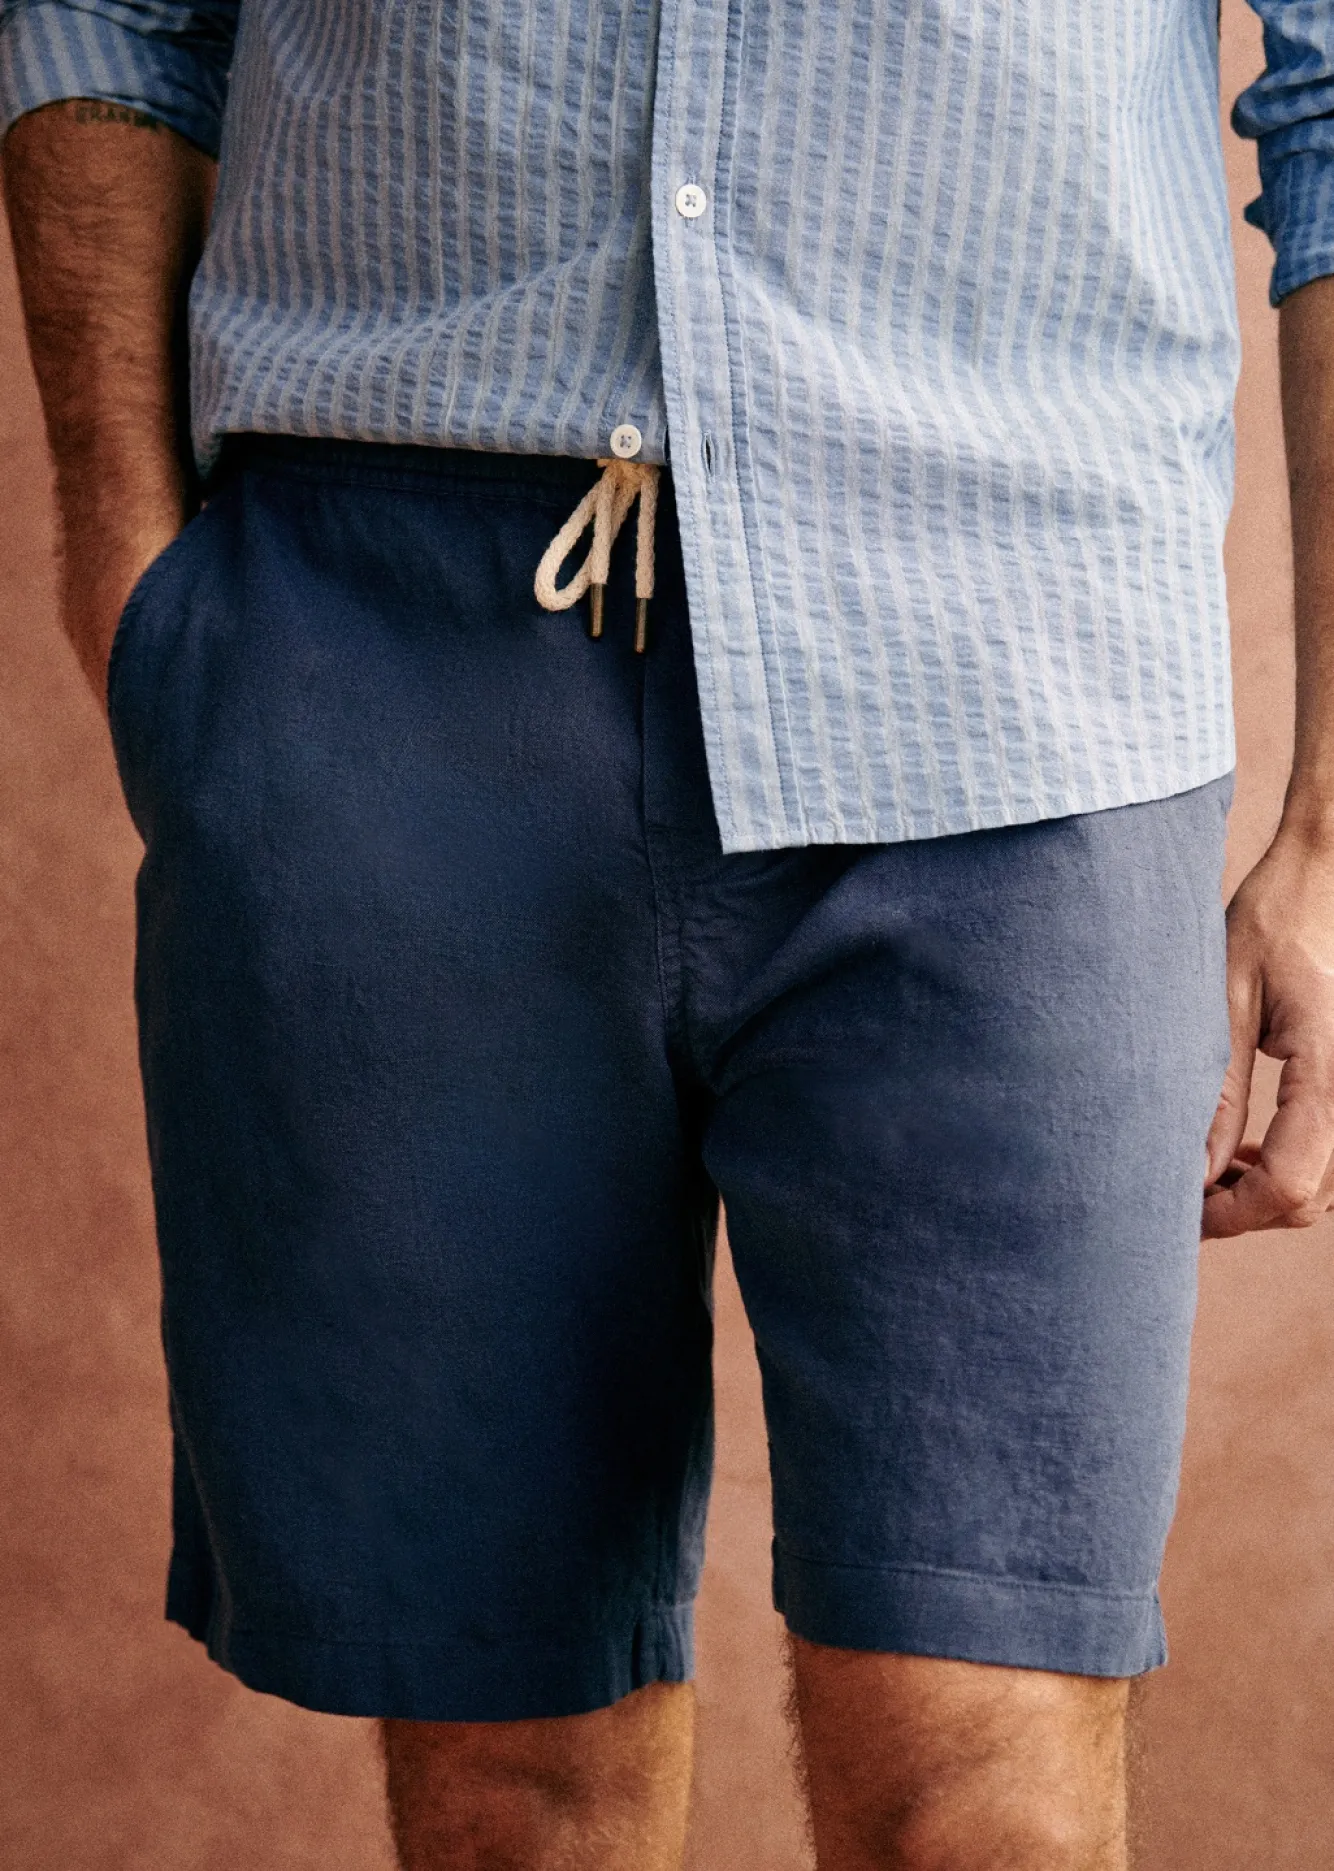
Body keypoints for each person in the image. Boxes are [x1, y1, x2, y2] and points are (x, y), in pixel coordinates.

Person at [4, 1, 1334, 1864]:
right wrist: (128, 562)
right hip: (387, 636)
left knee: (993, 1806)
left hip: (1019, 673)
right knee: (510, 1802)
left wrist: (1330, 823)